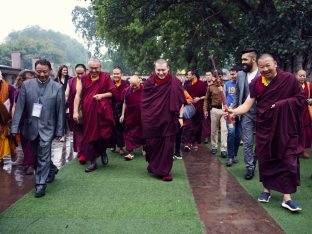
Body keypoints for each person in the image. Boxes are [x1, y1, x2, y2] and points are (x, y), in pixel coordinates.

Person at [230, 54, 305, 212]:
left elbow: (300, 100)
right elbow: (247, 104)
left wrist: (281, 104)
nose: (265, 69)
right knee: (266, 158)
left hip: (286, 128)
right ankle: (266, 190)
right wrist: (233, 112)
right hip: (265, 127)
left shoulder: (289, 79)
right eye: (262, 67)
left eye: (268, 66)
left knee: (288, 160)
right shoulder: (257, 82)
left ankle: (287, 198)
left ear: (275, 64)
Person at [11, 59, 65, 197]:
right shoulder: (26, 86)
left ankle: (40, 184)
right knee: (35, 155)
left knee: (43, 155)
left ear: (50, 71)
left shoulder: (57, 88)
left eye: (45, 72)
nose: (42, 74)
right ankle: (52, 169)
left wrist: (60, 131)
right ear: (35, 70)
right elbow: (20, 109)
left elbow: (60, 111)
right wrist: (14, 128)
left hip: (48, 128)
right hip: (30, 128)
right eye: (39, 71)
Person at [141, 59, 184, 181]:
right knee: (152, 145)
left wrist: (180, 117)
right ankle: (153, 165)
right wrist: (147, 118)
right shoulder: (149, 82)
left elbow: (181, 101)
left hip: (169, 119)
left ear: (168, 69)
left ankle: (164, 171)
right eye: (158, 70)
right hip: (153, 119)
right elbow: (144, 102)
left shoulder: (175, 82)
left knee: (167, 146)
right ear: (155, 69)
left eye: (163, 70)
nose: (161, 73)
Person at [73, 58, 116, 172]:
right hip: (89, 113)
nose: (94, 70)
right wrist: (75, 111)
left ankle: (102, 152)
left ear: (100, 67)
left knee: (105, 136)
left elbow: (113, 92)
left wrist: (101, 95)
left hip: (103, 112)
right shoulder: (83, 79)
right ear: (88, 68)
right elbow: (78, 95)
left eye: (96, 68)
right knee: (90, 137)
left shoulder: (106, 77)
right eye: (91, 68)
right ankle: (92, 162)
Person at [233, 48, 260, 180]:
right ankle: (249, 167)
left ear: (253, 59)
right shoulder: (240, 75)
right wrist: (234, 110)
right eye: (242, 59)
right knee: (248, 141)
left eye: (245, 59)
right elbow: (237, 93)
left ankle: (254, 161)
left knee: (260, 142)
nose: (242, 62)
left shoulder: (264, 73)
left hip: (263, 113)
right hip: (246, 112)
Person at [11, 70, 36, 174]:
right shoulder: (18, 91)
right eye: (29, 80)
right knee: (25, 142)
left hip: (34, 119)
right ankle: (27, 162)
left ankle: (31, 165)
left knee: (31, 142)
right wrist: (14, 122)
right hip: (23, 119)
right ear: (23, 80)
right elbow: (15, 106)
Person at [65, 64, 87, 164]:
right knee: (78, 132)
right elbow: (67, 94)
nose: (79, 75)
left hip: (87, 108)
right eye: (77, 73)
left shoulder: (89, 80)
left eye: (81, 73)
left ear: (85, 72)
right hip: (74, 109)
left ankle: (87, 151)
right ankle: (81, 152)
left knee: (87, 131)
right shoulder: (71, 81)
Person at [119, 75, 145, 160]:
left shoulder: (145, 89)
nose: (133, 87)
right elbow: (124, 102)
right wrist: (122, 114)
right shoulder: (126, 91)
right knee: (128, 132)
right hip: (130, 115)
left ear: (139, 82)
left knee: (143, 131)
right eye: (131, 85)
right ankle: (130, 152)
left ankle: (145, 148)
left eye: (135, 85)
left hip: (142, 115)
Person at [203, 70, 228, 157]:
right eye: (217, 76)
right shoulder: (211, 87)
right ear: (214, 77)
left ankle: (224, 149)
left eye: (220, 76)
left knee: (224, 130)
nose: (218, 78)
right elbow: (206, 99)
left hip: (224, 110)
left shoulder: (226, 86)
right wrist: (205, 110)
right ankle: (214, 147)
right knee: (214, 130)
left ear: (222, 77)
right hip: (214, 110)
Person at [183, 70, 207, 151]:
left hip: (199, 108)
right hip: (189, 107)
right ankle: (187, 143)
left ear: (194, 75)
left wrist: (199, 98)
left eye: (189, 75)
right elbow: (184, 94)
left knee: (197, 127)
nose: (188, 76)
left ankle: (194, 142)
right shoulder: (187, 84)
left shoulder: (202, 84)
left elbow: (206, 96)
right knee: (188, 126)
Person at [224, 67, 242, 166]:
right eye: (231, 74)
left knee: (238, 135)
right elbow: (224, 98)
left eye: (235, 74)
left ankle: (234, 154)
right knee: (231, 133)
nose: (233, 76)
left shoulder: (242, 85)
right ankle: (230, 157)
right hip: (230, 114)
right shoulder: (227, 85)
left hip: (240, 113)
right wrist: (225, 111)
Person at [0, 70, 17, 165]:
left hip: (6, 117)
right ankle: (1, 158)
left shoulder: (9, 88)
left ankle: (12, 151)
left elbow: (14, 102)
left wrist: (11, 116)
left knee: (8, 137)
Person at [110, 66, 128, 155]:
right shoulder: (109, 83)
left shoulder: (125, 84)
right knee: (111, 128)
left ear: (121, 74)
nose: (116, 75)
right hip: (111, 108)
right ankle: (112, 145)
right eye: (114, 74)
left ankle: (121, 147)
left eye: (118, 73)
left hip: (121, 108)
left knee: (120, 128)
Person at [296, 69, 312, 158]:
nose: (302, 77)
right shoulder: (293, 85)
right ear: (296, 76)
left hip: (306, 111)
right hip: (296, 111)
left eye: (304, 76)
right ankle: (295, 149)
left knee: (307, 132)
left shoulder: (309, 86)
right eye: (300, 75)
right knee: (295, 131)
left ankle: (303, 150)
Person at [55, 65, 71, 142]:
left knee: (68, 117)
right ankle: (63, 134)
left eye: (66, 70)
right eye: (64, 70)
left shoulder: (70, 79)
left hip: (69, 101)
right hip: (59, 101)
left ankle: (69, 133)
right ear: (60, 71)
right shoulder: (56, 80)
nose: (65, 71)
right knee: (62, 117)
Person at [201, 71, 213, 144]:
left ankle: (212, 136)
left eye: (209, 75)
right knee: (206, 121)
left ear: (212, 76)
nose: (208, 76)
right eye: (206, 75)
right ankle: (206, 136)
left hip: (214, 104)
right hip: (205, 104)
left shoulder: (215, 84)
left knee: (213, 122)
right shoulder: (203, 85)